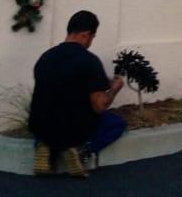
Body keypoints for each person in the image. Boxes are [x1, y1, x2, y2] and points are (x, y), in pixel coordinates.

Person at [28, 10, 126, 177]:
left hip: (41, 124)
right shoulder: (90, 61)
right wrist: (114, 89)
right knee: (116, 123)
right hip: (74, 127)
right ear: (86, 35)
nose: (91, 42)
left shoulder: (45, 58)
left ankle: (43, 146)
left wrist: (100, 80)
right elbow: (99, 106)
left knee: (48, 118)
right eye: (93, 37)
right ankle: (81, 150)